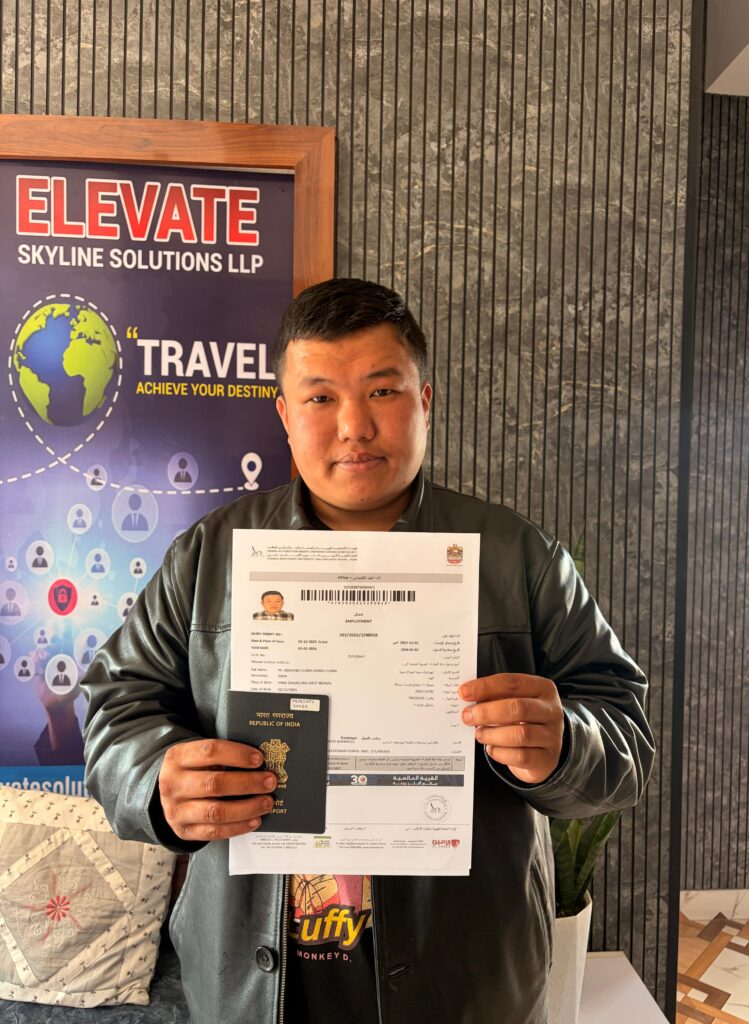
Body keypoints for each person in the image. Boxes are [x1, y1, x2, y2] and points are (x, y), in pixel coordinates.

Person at [81, 278, 654, 1024]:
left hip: (465, 984)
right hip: (253, 983)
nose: (354, 426)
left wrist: (566, 744)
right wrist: (155, 779)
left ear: (425, 401)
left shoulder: (519, 558)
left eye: (383, 391)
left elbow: (626, 734)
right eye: (321, 397)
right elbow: (116, 708)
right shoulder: (209, 557)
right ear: (285, 415)